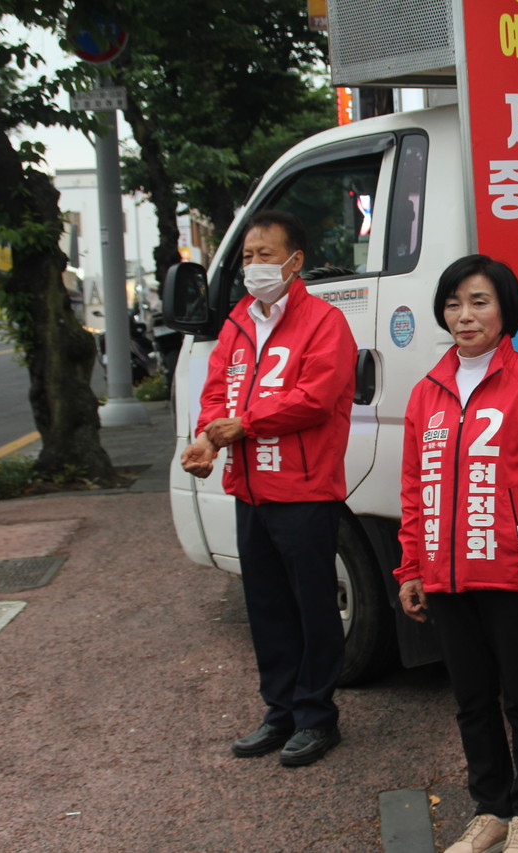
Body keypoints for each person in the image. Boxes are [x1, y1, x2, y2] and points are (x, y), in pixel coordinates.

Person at [395, 255, 518, 853]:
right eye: (453, 303)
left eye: (479, 301)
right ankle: (491, 810)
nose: (464, 315)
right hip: (447, 580)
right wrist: (411, 569)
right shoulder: (426, 393)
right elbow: (415, 489)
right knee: (471, 702)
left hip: (512, 575)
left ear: (506, 310)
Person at [180, 209, 357, 768]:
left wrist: (245, 425)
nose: (254, 266)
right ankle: (279, 711)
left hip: (305, 492)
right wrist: (209, 438)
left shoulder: (325, 322)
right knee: (267, 608)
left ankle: (316, 716)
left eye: (264, 255)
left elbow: (316, 396)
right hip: (251, 491)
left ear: (294, 260)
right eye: (248, 257)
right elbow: (215, 394)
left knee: (313, 608)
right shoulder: (236, 323)